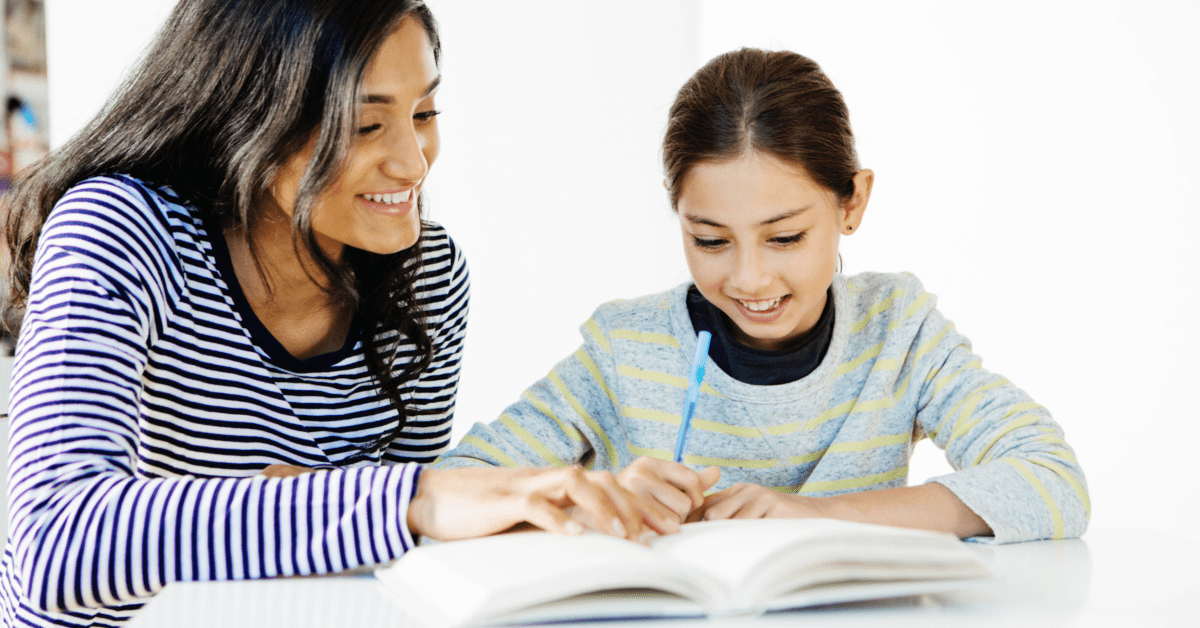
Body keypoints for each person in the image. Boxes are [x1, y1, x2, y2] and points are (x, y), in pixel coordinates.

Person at [0, 1, 672, 626]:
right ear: (251, 115)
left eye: (425, 112)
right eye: (366, 125)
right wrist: (407, 499)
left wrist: (553, 515)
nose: (413, 162)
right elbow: (56, 540)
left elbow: (392, 555)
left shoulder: (427, 277)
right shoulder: (122, 228)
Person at [435, 48, 1090, 543]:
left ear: (852, 203)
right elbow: (451, 489)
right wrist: (599, 497)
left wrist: (819, 517)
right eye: (711, 241)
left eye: (785, 238)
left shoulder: (898, 331)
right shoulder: (626, 349)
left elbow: (1052, 482)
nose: (748, 280)